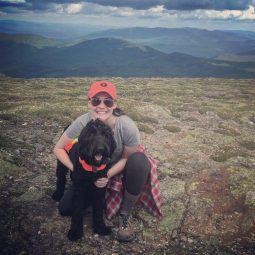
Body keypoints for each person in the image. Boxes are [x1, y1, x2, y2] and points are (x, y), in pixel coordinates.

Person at [53, 80, 162, 242]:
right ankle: (86, 199)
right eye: (96, 101)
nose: (101, 106)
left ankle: (125, 214)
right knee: (65, 208)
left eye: (107, 101)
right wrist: (75, 169)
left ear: (114, 104)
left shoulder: (127, 126)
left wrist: (107, 175)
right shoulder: (82, 122)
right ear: (89, 102)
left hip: (117, 167)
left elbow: (126, 157)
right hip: (87, 167)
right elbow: (58, 148)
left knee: (139, 161)